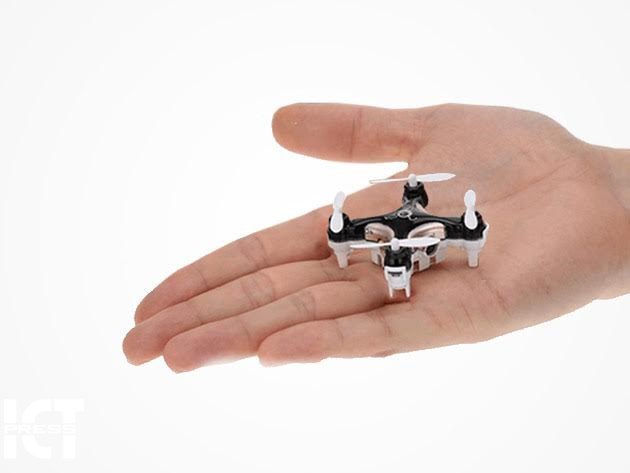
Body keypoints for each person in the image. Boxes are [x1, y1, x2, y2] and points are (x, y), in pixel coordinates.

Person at [123, 103, 630, 372]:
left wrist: (609, 197)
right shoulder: (390, 235)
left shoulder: (436, 227)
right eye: (395, 263)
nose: (397, 267)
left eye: (398, 263)